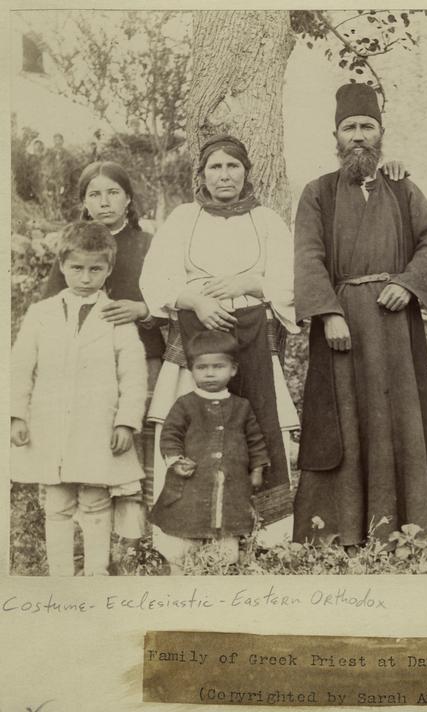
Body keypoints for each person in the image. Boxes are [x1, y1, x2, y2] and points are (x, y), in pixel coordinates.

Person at [292, 83, 427, 546]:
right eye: (349, 128)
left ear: (381, 134)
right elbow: (307, 255)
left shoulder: (402, 189)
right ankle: (339, 527)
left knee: (397, 415)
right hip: (343, 323)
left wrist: (407, 283)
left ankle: (403, 525)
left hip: (395, 324)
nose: (358, 136)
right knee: (343, 418)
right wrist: (328, 313)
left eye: (367, 126)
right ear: (335, 137)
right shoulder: (317, 192)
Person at [140, 134, 298, 557]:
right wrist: (196, 300)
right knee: (193, 422)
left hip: (251, 333)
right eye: (215, 167)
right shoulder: (183, 218)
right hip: (195, 333)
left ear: (246, 171)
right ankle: (183, 531)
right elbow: (155, 278)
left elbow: (292, 279)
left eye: (232, 166)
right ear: (202, 174)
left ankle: (265, 534)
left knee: (256, 422)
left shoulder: (267, 221)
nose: (224, 175)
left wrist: (253, 283)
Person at [42, 161, 164, 572]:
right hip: (83, 373)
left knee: (132, 449)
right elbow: (46, 309)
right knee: (88, 450)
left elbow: (169, 298)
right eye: (94, 194)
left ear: (129, 198)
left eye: (112, 192)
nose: (104, 201)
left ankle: (131, 545)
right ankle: (88, 545)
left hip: (138, 356)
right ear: (84, 203)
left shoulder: (148, 244)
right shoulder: (73, 246)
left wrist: (143, 310)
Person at [10, 222, 147, 576]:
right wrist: (16, 416)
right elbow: (20, 366)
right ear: (62, 265)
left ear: (109, 269)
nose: (86, 278)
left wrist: (126, 421)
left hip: (97, 426)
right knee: (56, 501)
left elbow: (133, 373)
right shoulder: (41, 314)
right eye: (77, 268)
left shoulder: (116, 316)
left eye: (95, 269)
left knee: (95, 500)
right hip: (51, 423)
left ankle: (95, 575)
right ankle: (60, 576)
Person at [149, 331, 269, 574]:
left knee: (226, 545)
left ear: (233, 369)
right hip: (191, 485)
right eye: (202, 367)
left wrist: (257, 469)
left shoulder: (241, 406)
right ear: (192, 370)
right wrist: (175, 460)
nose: (210, 373)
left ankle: (218, 572)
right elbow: (170, 435)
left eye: (218, 366)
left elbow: (256, 441)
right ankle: (179, 573)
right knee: (183, 539)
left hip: (231, 486)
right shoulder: (185, 404)